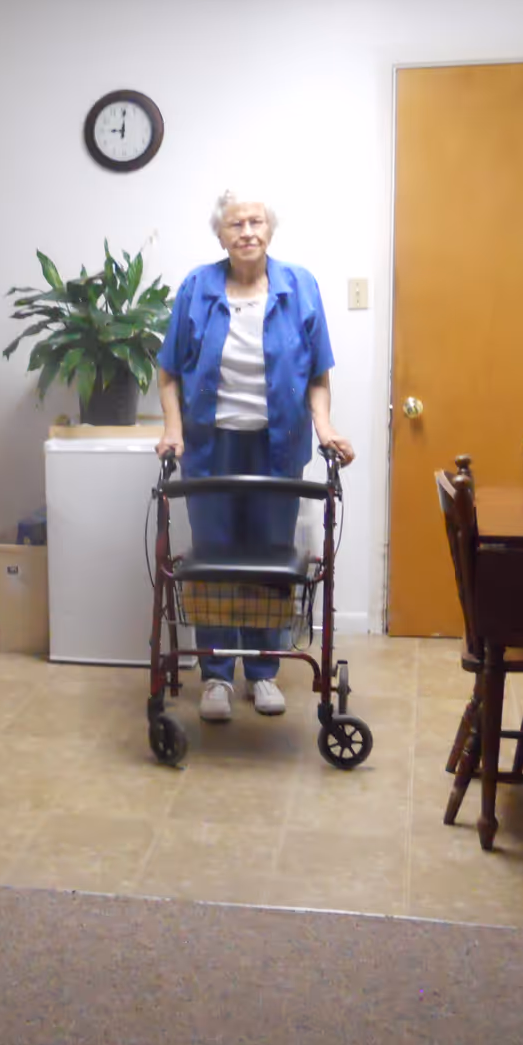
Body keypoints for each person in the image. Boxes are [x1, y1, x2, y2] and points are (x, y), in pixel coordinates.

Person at [156, 187, 356, 724]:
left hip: (279, 442)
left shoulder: (300, 285)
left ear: (270, 230)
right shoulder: (198, 286)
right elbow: (169, 370)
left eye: (256, 222)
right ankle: (217, 675)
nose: (247, 232)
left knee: (271, 555)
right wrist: (173, 428)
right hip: (211, 442)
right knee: (215, 554)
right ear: (219, 234)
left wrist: (325, 425)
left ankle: (265, 671)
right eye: (236, 224)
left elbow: (317, 373)